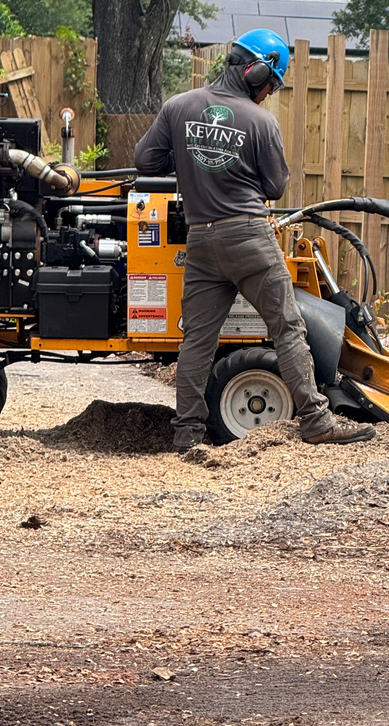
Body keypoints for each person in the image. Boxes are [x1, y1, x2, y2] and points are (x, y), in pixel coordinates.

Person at [134, 28, 376, 451]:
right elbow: (276, 187)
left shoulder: (178, 107)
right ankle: (317, 421)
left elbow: (145, 160)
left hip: (202, 241)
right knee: (287, 327)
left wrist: (191, 158)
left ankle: (187, 433)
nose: (267, 94)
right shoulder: (261, 121)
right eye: (269, 84)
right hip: (248, 234)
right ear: (255, 71)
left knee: (197, 340)